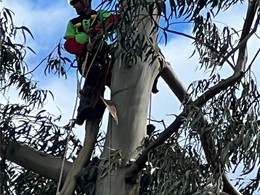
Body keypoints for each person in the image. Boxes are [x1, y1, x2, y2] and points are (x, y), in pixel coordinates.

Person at [64, 0, 119, 125]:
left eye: (75, 2)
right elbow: (68, 44)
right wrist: (83, 48)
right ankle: (84, 104)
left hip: (105, 56)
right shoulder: (73, 23)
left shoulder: (99, 15)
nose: (74, 6)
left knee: (122, 79)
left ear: (86, 1)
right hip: (88, 59)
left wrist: (98, 30)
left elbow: (114, 19)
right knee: (94, 71)